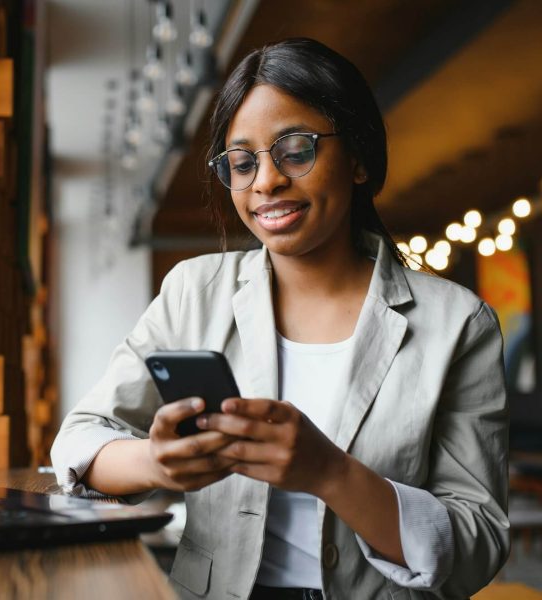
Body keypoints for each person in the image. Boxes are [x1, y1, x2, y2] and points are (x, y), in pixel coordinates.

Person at [51, 38, 509, 600]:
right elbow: (80, 439)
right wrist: (158, 463)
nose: (265, 181)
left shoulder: (459, 323)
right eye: (242, 163)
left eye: (295, 150)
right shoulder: (193, 292)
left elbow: (479, 540)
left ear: (360, 158)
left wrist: (331, 474)